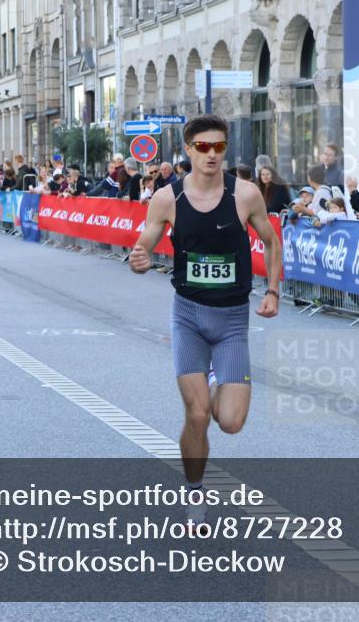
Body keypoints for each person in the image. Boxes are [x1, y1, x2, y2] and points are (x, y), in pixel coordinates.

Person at [128, 114, 281, 529]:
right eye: (203, 147)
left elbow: (271, 241)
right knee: (197, 415)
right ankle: (194, 493)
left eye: (219, 147)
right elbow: (143, 247)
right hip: (189, 316)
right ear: (189, 149)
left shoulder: (245, 194)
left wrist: (272, 291)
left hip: (232, 321)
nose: (212, 154)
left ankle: (216, 378)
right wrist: (139, 259)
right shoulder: (167, 198)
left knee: (230, 422)